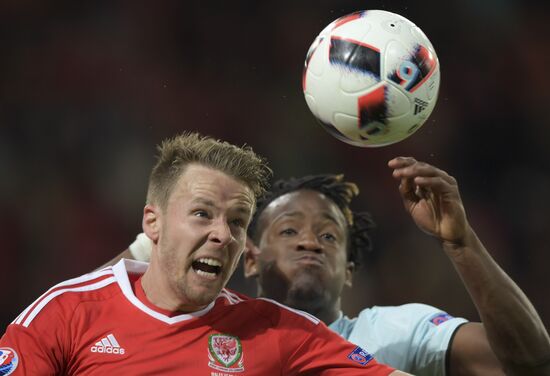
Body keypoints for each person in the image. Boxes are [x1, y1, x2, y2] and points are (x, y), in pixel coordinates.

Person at [0, 133, 408, 375]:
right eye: (202, 214)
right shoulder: (67, 314)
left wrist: (460, 246)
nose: (222, 235)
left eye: (237, 221)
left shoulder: (280, 332)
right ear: (152, 223)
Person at [118, 157, 550, 375]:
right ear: (249, 257)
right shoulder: (205, 340)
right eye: (288, 232)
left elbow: (531, 364)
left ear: (348, 269)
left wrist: (461, 244)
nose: (310, 241)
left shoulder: (392, 333)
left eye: (329, 236)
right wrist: (148, 248)